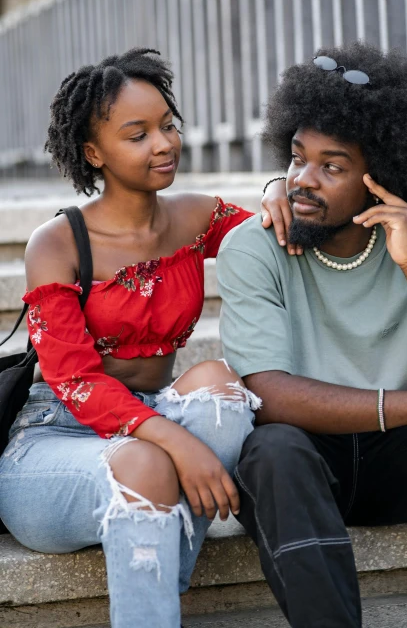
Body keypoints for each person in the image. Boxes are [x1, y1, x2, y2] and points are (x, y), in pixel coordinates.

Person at [217, 42, 407, 628]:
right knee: (272, 449)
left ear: (380, 179)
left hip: (397, 459)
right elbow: (269, 393)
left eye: (332, 167)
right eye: (298, 157)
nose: (303, 180)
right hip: (304, 465)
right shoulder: (254, 247)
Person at [0, 48, 293, 628]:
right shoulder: (55, 244)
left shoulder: (195, 217)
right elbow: (74, 381)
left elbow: (269, 235)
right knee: (150, 465)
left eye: (168, 125)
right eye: (137, 135)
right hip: (54, 441)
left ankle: (154, 570)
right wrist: (178, 445)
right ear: (93, 153)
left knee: (220, 386)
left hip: (151, 420)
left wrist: (277, 186)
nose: (164, 143)